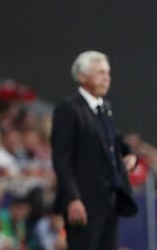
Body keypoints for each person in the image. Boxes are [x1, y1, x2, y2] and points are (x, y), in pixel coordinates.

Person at [51, 51, 138, 250]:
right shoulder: (69, 109)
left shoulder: (104, 108)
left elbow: (115, 139)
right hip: (84, 202)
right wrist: (72, 198)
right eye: (100, 73)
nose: (107, 77)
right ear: (82, 76)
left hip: (109, 200)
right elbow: (61, 159)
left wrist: (130, 153)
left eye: (107, 73)